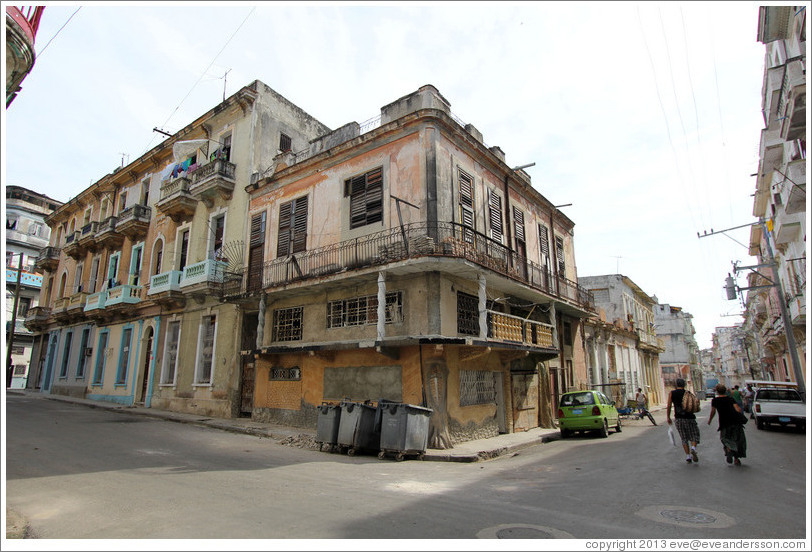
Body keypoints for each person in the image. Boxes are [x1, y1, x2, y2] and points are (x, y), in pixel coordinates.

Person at [707, 383, 747, 466]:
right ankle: (736, 459)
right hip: (735, 422)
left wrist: (710, 420)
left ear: (717, 392)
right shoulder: (730, 399)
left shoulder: (715, 401)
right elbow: (738, 410)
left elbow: (713, 411)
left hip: (724, 423)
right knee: (736, 440)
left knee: (725, 438)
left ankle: (729, 449)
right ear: (725, 391)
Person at [666, 378, 700, 463]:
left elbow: (669, 405)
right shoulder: (688, 393)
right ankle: (693, 448)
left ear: (676, 385)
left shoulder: (672, 393)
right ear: (684, 385)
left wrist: (668, 417)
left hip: (679, 418)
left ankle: (688, 456)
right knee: (694, 435)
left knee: (684, 437)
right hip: (690, 418)